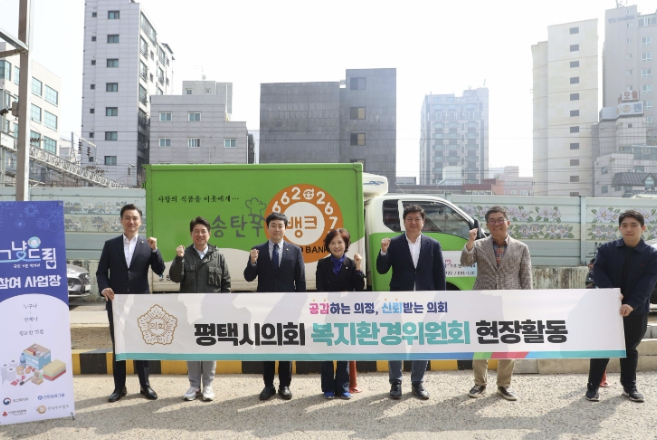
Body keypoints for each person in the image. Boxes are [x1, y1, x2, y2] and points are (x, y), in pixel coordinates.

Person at [461, 206, 532, 401]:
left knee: (508, 345)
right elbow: (466, 262)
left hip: (510, 303)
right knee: (481, 343)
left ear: (508, 223)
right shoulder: (479, 245)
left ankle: (504, 385)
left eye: (500, 219)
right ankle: (479, 383)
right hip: (484, 301)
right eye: (492, 220)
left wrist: (528, 303)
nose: (496, 224)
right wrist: (470, 242)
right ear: (487, 225)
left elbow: (526, 277)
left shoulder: (521, 248)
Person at [586, 210, 657, 403]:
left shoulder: (651, 254)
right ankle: (593, 387)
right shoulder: (607, 249)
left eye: (634, 225)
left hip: (637, 309)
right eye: (624, 225)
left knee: (630, 348)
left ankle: (629, 387)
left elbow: (648, 282)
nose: (628, 229)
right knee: (603, 347)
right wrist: (612, 294)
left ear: (643, 228)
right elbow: (599, 271)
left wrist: (631, 303)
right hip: (607, 308)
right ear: (619, 228)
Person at [376, 204, 446, 400]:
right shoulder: (394, 243)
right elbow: (382, 269)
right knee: (396, 341)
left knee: (421, 341)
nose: (413, 222)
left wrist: (441, 301)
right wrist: (383, 252)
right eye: (409, 219)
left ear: (423, 222)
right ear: (404, 222)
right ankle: (395, 383)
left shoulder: (433, 244)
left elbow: (439, 275)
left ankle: (417, 383)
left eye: (417, 219)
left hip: (425, 301)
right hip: (399, 300)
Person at [97, 204, 165, 403]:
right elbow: (101, 272)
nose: (131, 221)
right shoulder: (111, 245)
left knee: (141, 343)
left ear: (140, 222)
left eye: (135, 218)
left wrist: (155, 250)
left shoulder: (147, 245)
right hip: (116, 303)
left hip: (140, 304)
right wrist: (104, 287)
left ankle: (145, 385)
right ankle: (119, 388)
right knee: (119, 345)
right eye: (127, 217)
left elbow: (159, 269)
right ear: (121, 221)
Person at [244, 212, 306, 401]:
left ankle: (285, 385)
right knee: (267, 346)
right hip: (265, 308)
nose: (277, 229)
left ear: (285, 228)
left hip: (288, 307)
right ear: (268, 228)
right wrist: (252, 262)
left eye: (280, 226)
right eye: (273, 225)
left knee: (286, 346)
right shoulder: (257, 250)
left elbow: (300, 280)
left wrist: (300, 307)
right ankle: (268, 385)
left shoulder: (295, 251)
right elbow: (248, 277)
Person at [169, 216, 231, 402]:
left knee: (210, 347)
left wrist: (223, 308)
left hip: (212, 311)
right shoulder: (185, 254)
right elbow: (175, 277)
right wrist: (179, 259)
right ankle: (194, 386)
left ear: (209, 234)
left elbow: (226, 284)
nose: (200, 234)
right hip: (190, 312)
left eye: (203, 231)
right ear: (191, 234)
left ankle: (208, 385)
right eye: (196, 231)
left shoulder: (218, 256)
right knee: (192, 347)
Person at [316, 228, 365, 400]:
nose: (336, 246)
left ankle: (343, 386)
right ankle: (328, 387)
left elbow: (359, 288)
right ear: (328, 245)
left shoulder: (351, 264)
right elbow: (320, 289)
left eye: (340, 242)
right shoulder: (322, 264)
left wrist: (358, 266)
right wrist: (336, 296)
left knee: (344, 349)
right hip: (327, 312)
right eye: (333, 243)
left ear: (346, 244)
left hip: (346, 312)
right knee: (327, 350)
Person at [585, 257, 609, 387]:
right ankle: (598, 380)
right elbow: (589, 288)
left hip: (607, 312)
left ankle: (601, 379)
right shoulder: (593, 274)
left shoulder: (609, 274)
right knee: (599, 346)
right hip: (596, 311)